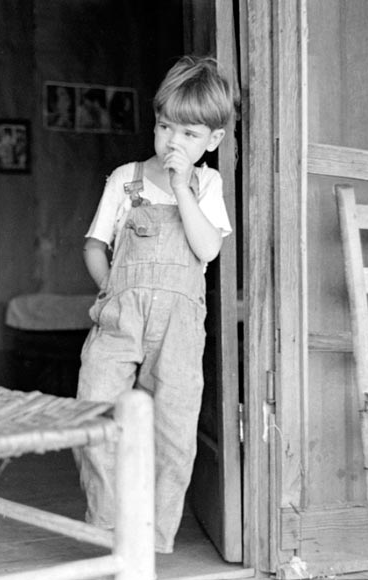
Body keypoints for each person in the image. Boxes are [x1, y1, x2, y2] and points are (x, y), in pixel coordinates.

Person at [74, 55, 235, 554]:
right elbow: (94, 245)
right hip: (120, 320)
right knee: (95, 416)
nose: (172, 142)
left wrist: (184, 188)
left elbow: (207, 249)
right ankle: (107, 530)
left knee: (173, 430)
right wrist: (110, 293)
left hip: (179, 331)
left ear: (213, 140)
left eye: (189, 134)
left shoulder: (207, 185)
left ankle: (149, 538)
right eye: (165, 127)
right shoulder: (126, 179)